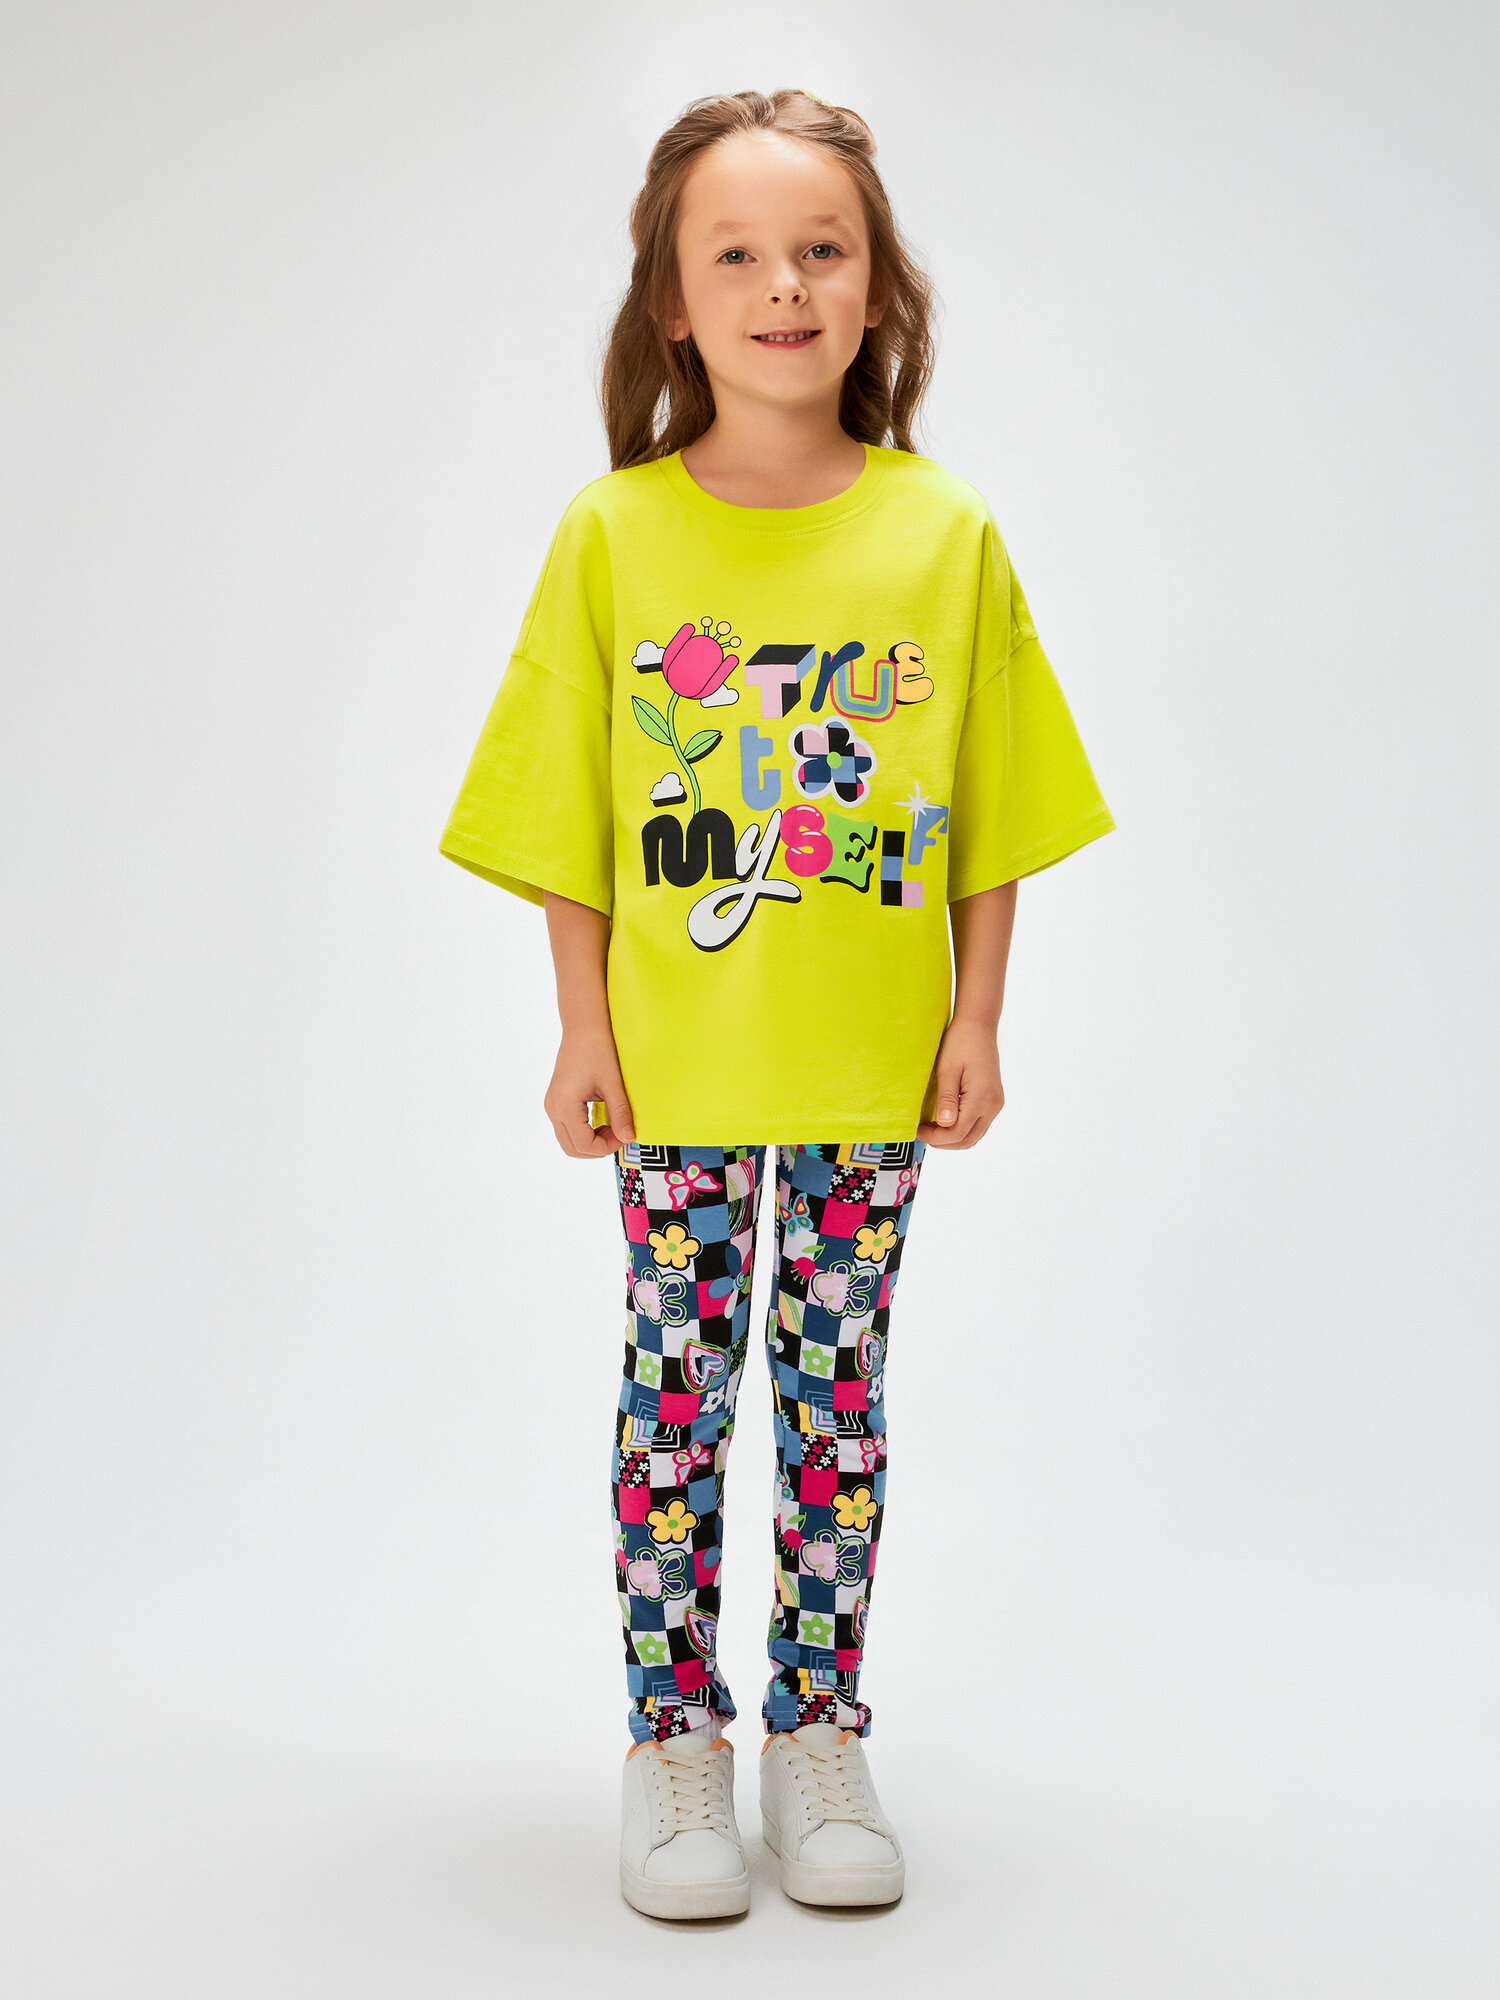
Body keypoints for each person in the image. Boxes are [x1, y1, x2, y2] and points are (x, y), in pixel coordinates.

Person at [439, 87, 1115, 1920]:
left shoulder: (944, 532)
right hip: (677, 1072)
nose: (784, 285)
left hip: (865, 1072)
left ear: (880, 286)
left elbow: (993, 802)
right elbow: (571, 816)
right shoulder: (612, 535)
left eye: (822, 249)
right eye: (734, 254)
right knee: (677, 1399)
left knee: (834, 1406)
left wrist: (978, 1017)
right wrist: (583, 1029)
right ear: (672, 302)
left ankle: (818, 1733)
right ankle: (675, 1742)